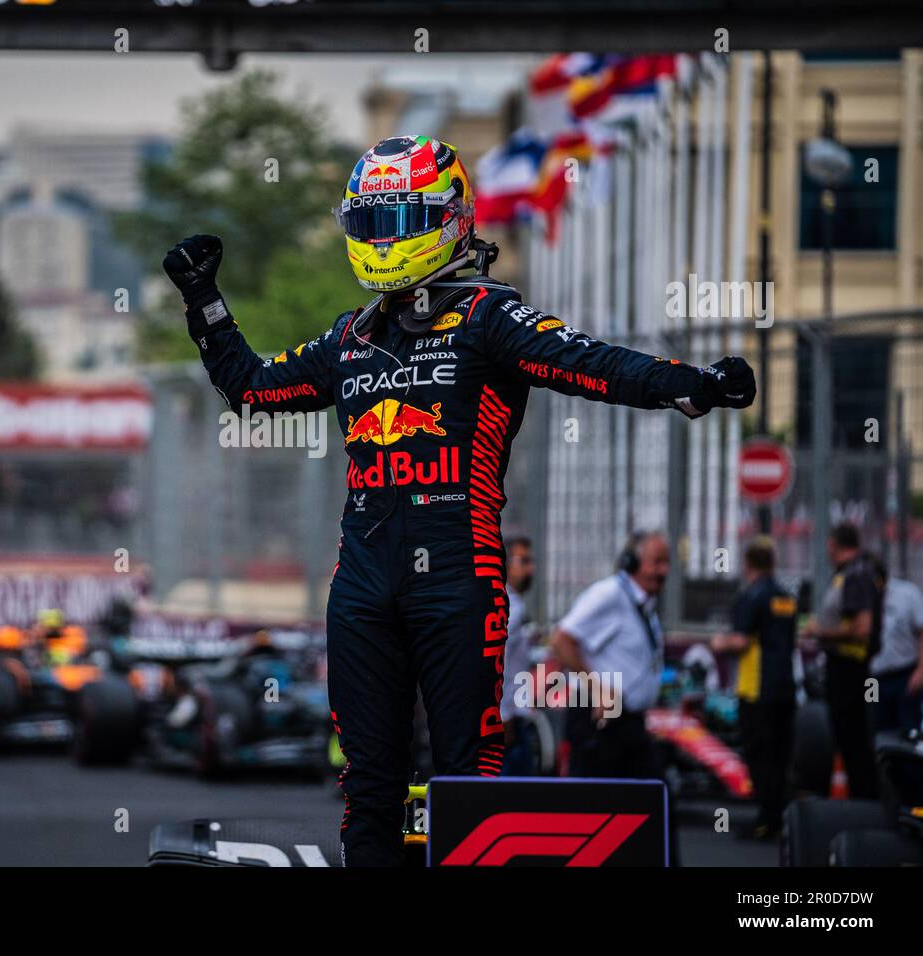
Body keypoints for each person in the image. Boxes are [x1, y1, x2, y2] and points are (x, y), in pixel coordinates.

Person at [163, 135, 756, 867]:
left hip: (459, 577)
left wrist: (691, 384)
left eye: (396, 222)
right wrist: (204, 301)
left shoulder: (489, 316)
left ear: (447, 218)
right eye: (369, 225)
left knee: (467, 779)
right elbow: (250, 388)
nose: (381, 241)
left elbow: (590, 362)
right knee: (369, 787)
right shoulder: (349, 337)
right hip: (361, 588)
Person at [551, 531, 669, 781]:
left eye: (666, 563)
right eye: (656, 562)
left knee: (653, 804)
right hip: (602, 720)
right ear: (632, 562)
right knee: (595, 805)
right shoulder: (610, 594)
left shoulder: (643, 604)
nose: (663, 571)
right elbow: (561, 640)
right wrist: (597, 688)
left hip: (629, 723)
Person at [711, 537, 797, 839]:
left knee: (759, 755)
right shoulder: (786, 596)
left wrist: (718, 643)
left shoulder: (751, 596)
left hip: (756, 689)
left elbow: (741, 640)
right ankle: (781, 818)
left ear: (748, 564)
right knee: (780, 756)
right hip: (786, 687)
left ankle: (766, 820)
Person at [800, 522, 885, 799]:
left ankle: (866, 802)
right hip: (845, 670)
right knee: (849, 741)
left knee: (854, 742)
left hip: (851, 671)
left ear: (833, 545)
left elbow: (862, 629)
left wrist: (819, 632)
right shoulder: (850, 574)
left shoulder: (856, 574)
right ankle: (862, 800)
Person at [500, 535, 539, 775]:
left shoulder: (511, 603)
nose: (530, 568)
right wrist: (503, 715)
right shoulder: (510, 608)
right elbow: (497, 663)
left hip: (514, 719)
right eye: (523, 561)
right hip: (508, 723)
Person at [869, 576, 923, 733]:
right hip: (871, 679)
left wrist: (920, 671)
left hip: (904, 674)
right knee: (872, 724)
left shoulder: (907, 594)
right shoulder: (859, 596)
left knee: (908, 727)